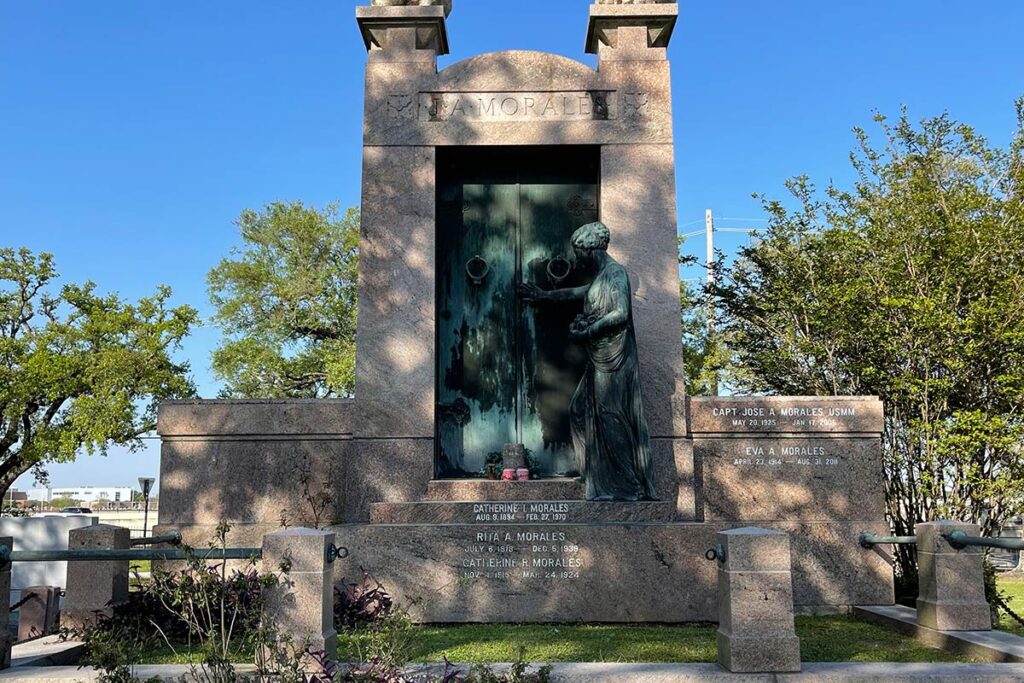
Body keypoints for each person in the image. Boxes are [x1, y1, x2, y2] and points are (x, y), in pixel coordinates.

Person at [519, 221, 657, 501]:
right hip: (600, 356)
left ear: (590, 250)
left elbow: (620, 313)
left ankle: (628, 484)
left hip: (614, 360)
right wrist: (544, 295)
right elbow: (578, 292)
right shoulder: (601, 276)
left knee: (611, 417)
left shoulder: (616, 273)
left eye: (578, 252)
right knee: (581, 410)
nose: (576, 258)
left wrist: (588, 330)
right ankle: (597, 474)